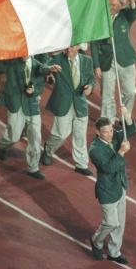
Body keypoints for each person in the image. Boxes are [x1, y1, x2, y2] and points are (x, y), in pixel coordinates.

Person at [0, 56, 61, 180]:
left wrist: (34, 91)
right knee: (13, 136)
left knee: (35, 137)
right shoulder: (11, 61)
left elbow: (42, 81)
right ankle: (3, 146)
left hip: (32, 105)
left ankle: (33, 167)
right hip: (16, 104)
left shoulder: (38, 65)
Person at [41, 45, 95, 176]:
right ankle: (48, 150)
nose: (68, 50)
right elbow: (41, 69)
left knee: (80, 135)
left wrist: (90, 87)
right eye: (67, 47)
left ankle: (81, 164)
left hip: (80, 104)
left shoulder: (87, 61)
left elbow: (91, 79)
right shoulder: (58, 58)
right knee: (61, 134)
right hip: (63, 103)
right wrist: (49, 69)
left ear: (78, 47)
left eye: (71, 47)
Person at [89, 106, 132, 264]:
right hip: (107, 190)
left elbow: (130, 130)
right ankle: (96, 241)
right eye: (105, 132)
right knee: (111, 223)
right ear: (97, 132)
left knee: (120, 224)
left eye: (111, 131)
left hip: (120, 185)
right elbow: (107, 168)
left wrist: (126, 115)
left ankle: (114, 252)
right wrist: (121, 152)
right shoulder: (95, 149)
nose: (109, 134)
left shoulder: (113, 138)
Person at [90, 0, 136, 128]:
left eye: (115, 5)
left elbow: (134, 13)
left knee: (130, 92)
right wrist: (96, 65)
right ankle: (107, 121)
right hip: (107, 62)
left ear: (121, 6)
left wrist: (132, 2)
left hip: (126, 60)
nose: (112, 7)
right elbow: (94, 43)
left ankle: (124, 116)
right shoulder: (99, 19)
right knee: (107, 96)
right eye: (110, 4)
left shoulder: (125, 16)